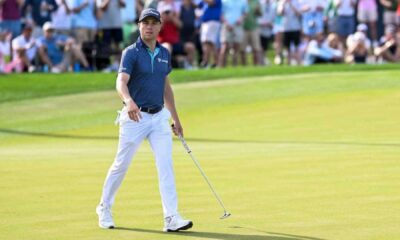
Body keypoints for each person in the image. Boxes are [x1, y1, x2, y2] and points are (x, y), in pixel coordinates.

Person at [96, 8, 193, 232]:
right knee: (121, 165)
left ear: (160, 26)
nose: (149, 26)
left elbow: (165, 86)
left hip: (159, 117)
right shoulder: (130, 52)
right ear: (139, 26)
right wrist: (128, 100)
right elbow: (121, 82)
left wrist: (176, 119)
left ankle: (171, 217)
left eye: (153, 23)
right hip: (134, 117)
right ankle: (104, 207)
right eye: (145, 22)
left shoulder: (163, 53)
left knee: (165, 165)